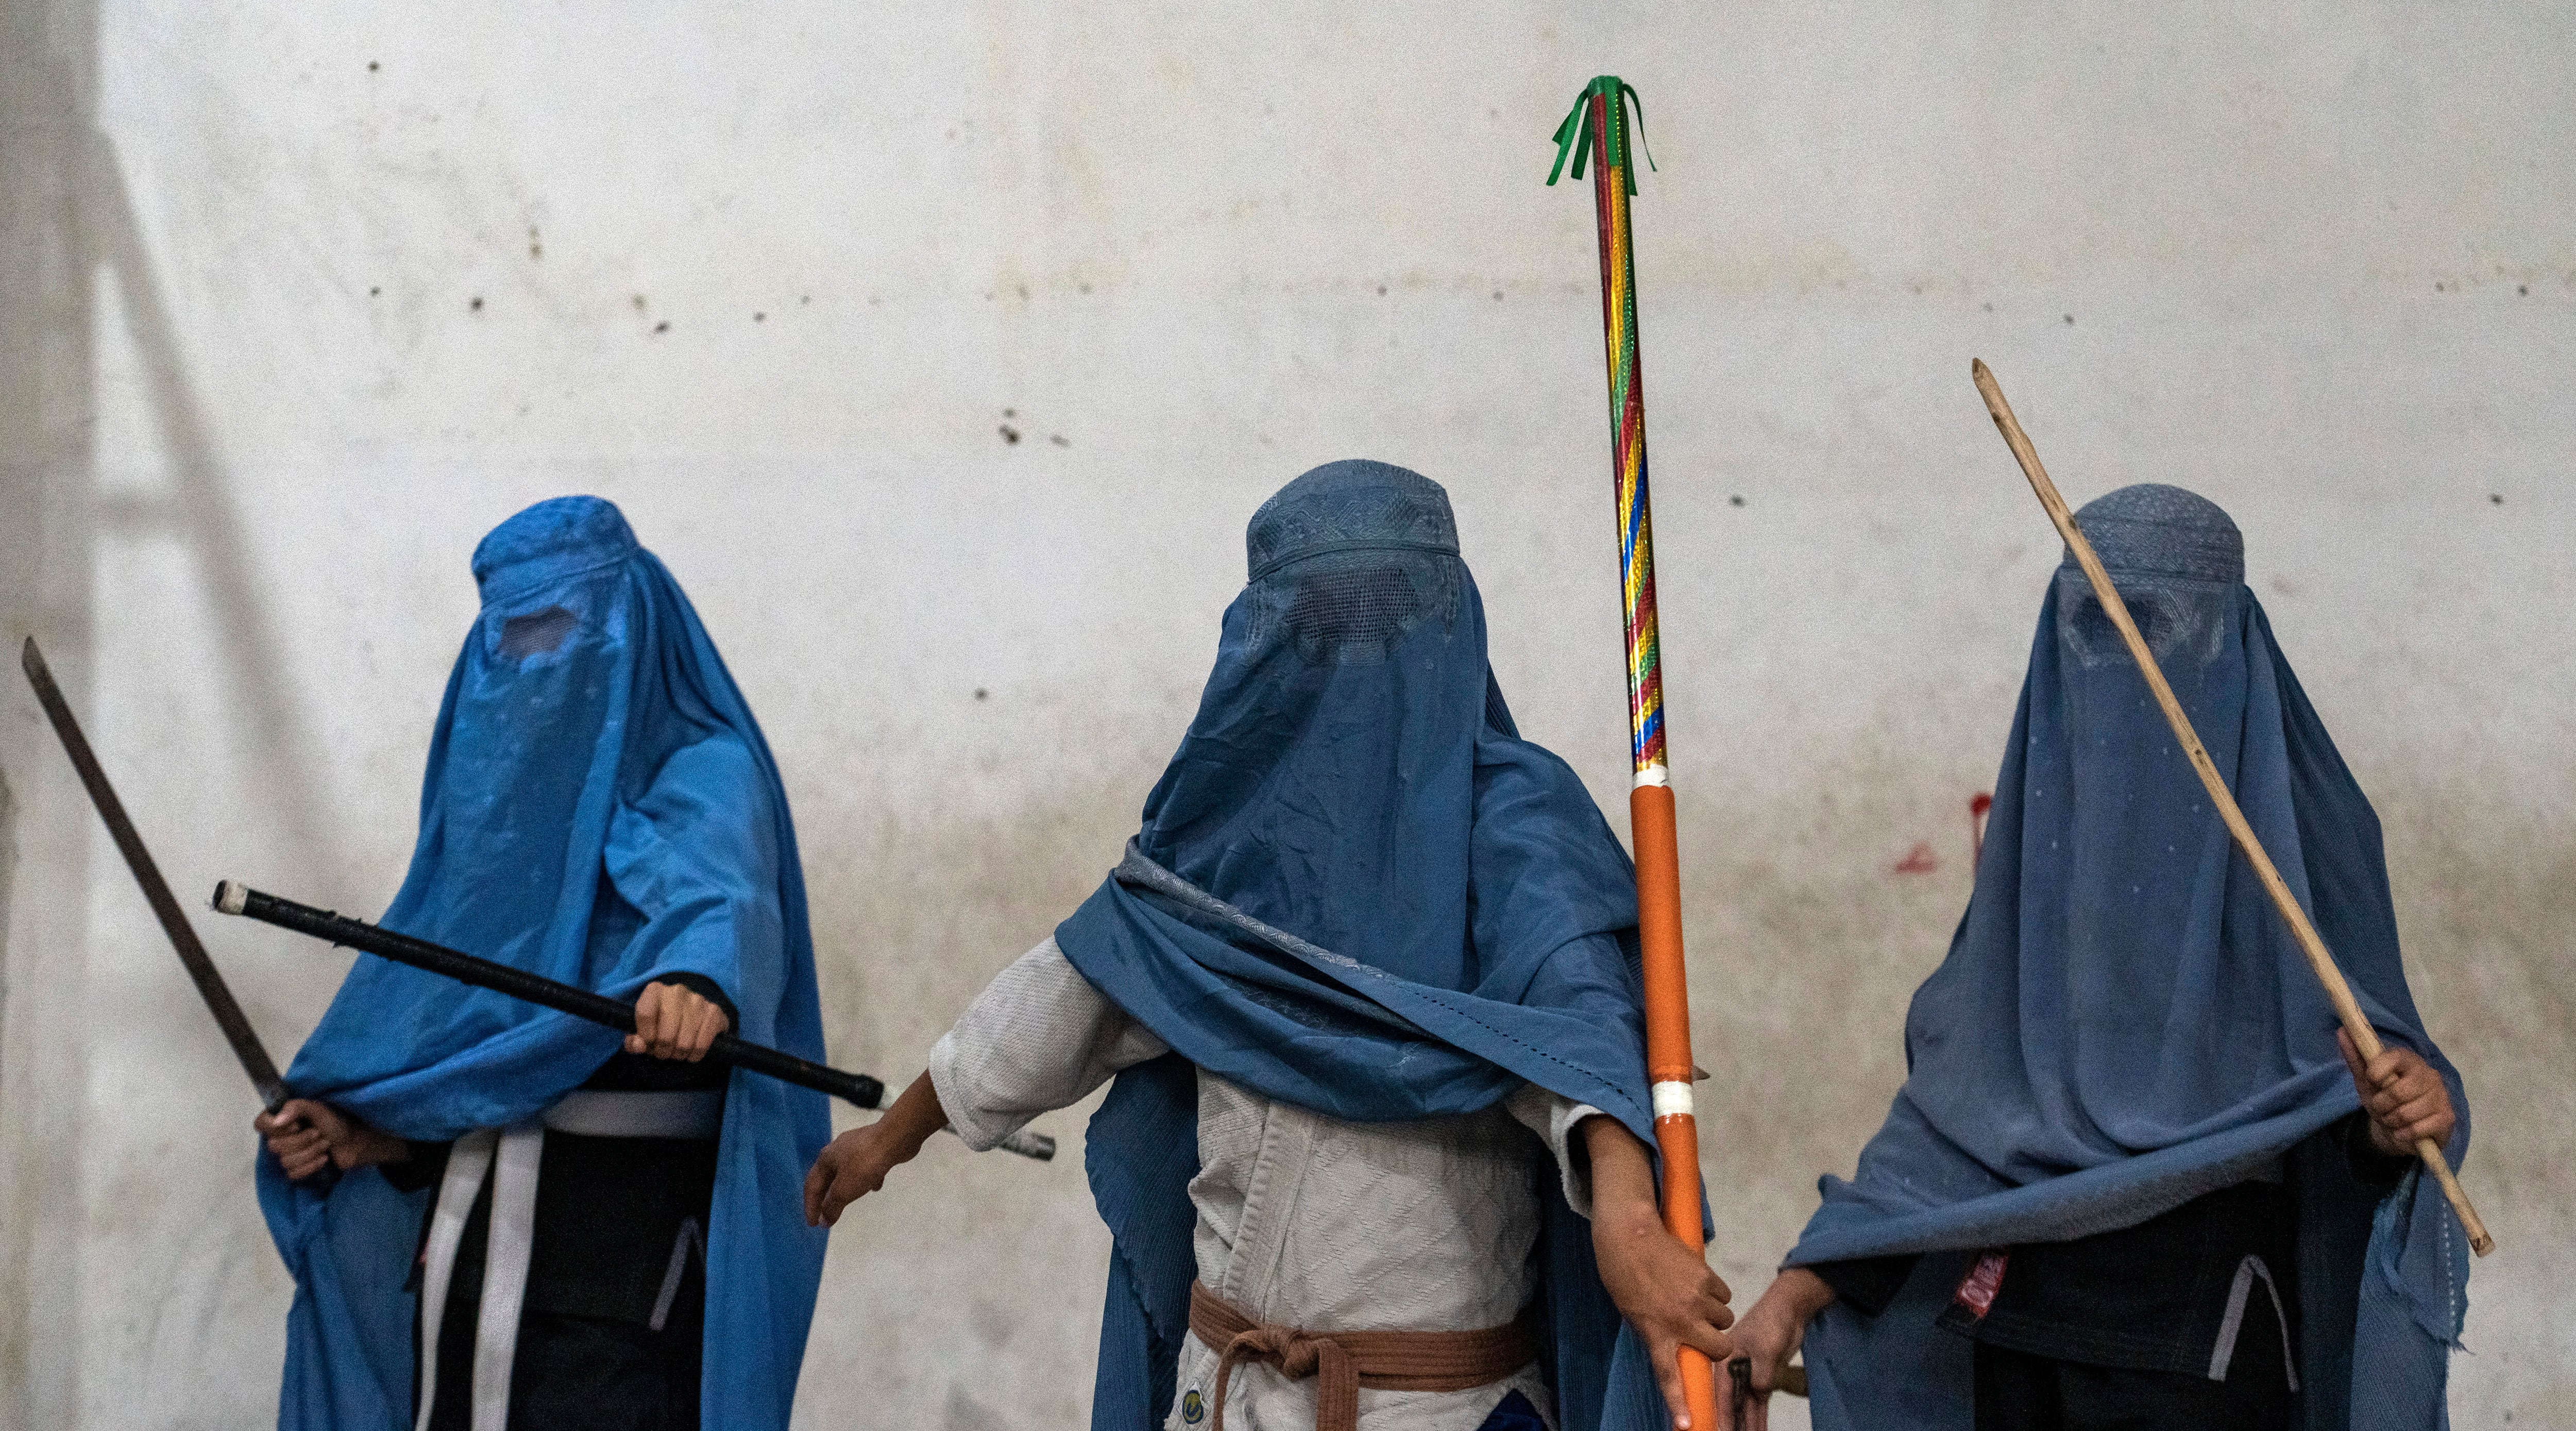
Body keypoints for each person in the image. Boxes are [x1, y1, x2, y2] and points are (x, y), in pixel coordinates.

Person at [805, 460, 1734, 1431]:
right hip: (1227, 1394)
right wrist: (892, 1134)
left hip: (1440, 1409)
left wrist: (1628, 1218)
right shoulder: (1217, 838)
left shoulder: (1514, 833)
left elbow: (1581, 1046)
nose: (1358, 659)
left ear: (1446, 630)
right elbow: (1070, 992)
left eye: (1390, 622)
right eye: (1327, 625)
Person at [1721, 485, 2469, 1431]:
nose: (2122, 663)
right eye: (2090, 626)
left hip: (2214, 1339)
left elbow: (2368, 1091)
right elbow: (1957, 1119)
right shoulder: (2043, 871)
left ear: (2232, 646)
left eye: (2156, 625)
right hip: (2021, 1334)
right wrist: (1791, 1297)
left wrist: (2396, 1118)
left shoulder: (2308, 842)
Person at [250, 495, 832, 1431]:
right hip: (465, 1265)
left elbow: (721, 906)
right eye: (510, 638)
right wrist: (381, 1136)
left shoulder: (705, 773)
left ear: (633, 625)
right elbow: (480, 1043)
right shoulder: (500, 804)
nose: (536, 660)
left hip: (621, 1279)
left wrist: (696, 983)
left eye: (564, 627)